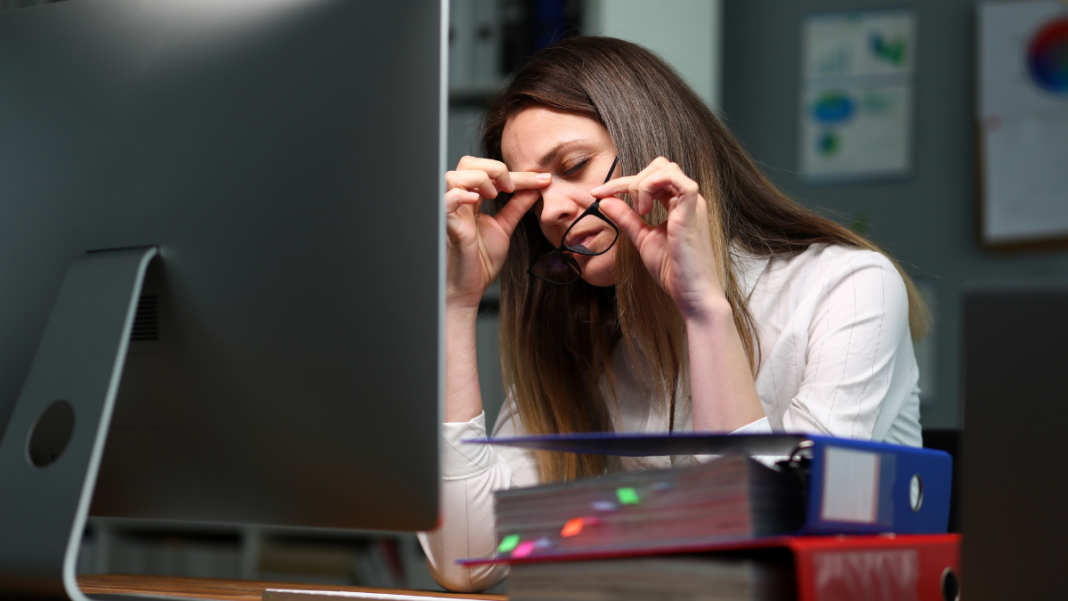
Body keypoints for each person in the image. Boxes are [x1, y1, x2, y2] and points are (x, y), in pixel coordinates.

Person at [419, 37, 929, 592]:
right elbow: (468, 559)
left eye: (574, 165)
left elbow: (767, 557)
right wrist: (456, 302)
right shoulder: (581, 332)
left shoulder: (846, 287)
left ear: (651, 145)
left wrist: (704, 310)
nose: (551, 211)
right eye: (532, 194)